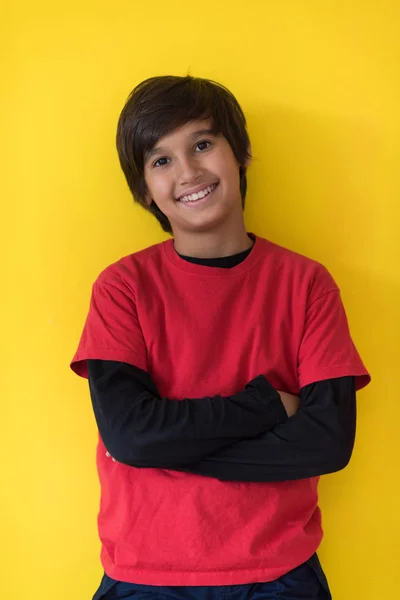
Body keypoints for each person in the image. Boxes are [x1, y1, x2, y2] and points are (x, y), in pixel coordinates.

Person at [70, 75, 371, 600]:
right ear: (144, 189)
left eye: (203, 144)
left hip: (280, 574)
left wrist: (159, 448)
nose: (188, 172)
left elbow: (326, 441)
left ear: (242, 153)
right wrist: (266, 405)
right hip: (145, 576)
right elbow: (128, 436)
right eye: (160, 160)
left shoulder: (307, 284)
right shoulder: (121, 287)